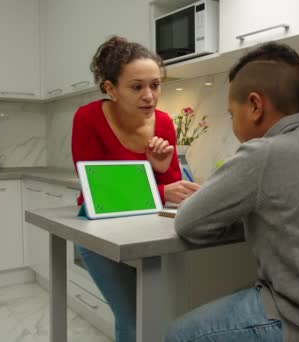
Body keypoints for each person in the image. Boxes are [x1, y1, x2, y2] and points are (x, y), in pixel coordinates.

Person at [166, 42, 299, 342]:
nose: (232, 123)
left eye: (231, 114)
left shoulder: (261, 153)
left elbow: (187, 222)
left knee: (177, 335)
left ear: (255, 106)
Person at [71, 36, 200, 342]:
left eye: (155, 85)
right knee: (133, 319)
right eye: (137, 86)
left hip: (147, 226)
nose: (149, 96)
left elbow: (171, 189)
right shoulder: (87, 119)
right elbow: (97, 188)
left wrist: (160, 167)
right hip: (98, 227)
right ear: (110, 89)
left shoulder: (165, 123)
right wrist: (159, 186)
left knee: (156, 311)